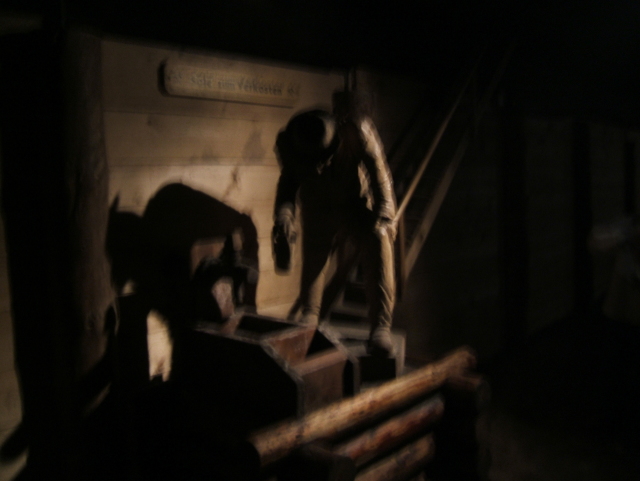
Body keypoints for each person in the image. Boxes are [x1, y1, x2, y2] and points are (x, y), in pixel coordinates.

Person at [272, 91, 397, 355]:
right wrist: (284, 217)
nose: (318, 168)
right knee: (314, 254)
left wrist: (384, 217)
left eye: (322, 161)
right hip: (317, 205)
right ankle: (310, 315)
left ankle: (381, 326)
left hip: (355, 203)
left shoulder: (358, 133)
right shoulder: (292, 143)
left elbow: (380, 175)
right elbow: (287, 186)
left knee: (378, 239)